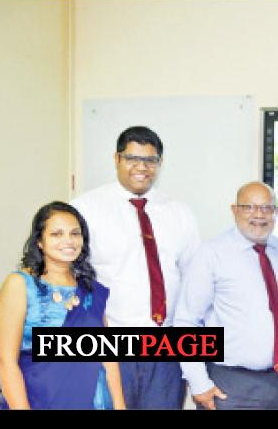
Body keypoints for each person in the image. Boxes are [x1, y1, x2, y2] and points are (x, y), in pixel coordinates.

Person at [71, 126, 200, 409]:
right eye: (132, 158)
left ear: (160, 163)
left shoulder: (179, 212)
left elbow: (193, 280)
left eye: (150, 160)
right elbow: (70, 276)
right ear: (116, 158)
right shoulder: (85, 209)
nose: (142, 167)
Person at [174, 182, 278, 410]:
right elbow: (186, 320)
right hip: (228, 383)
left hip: (276, 383)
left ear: (277, 211)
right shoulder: (212, 253)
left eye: (267, 207)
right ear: (234, 210)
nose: (259, 215)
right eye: (249, 207)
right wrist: (199, 383)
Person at [0, 202, 126, 409]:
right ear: (40, 241)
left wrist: (120, 406)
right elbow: (5, 361)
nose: (68, 241)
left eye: (75, 233)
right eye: (56, 234)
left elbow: (108, 359)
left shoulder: (91, 289)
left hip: (95, 401)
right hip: (38, 401)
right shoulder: (20, 284)